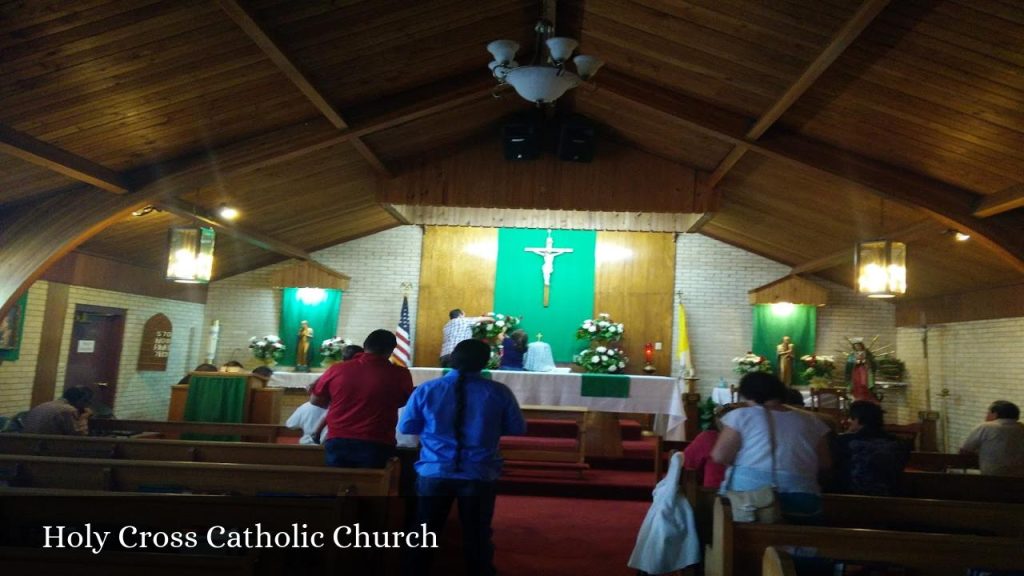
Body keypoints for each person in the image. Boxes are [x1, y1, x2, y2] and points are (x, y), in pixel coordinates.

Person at [398, 339, 526, 576]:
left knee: (424, 531)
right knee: (477, 534)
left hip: (435, 468)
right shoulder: (498, 392)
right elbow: (517, 428)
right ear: (485, 362)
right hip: (478, 471)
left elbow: (407, 426)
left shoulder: (428, 389)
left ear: (454, 359)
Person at [711, 372, 831, 523]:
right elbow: (825, 463)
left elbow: (719, 456)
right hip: (803, 497)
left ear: (748, 393)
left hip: (750, 499)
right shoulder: (812, 421)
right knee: (798, 543)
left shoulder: (741, 415)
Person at [310, 330, 413, 468]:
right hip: (378, 440)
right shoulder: (400, 374)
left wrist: (342, 403)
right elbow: (402, 401)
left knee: (338, 485)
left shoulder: (337, 369)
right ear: (391, 350)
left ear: (365, 346)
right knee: (371, 486)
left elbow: (315, 400)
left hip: (339, 438)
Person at [832, 401, 909, 495]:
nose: (848, 421)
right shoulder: (899, 442)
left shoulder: (843, 441)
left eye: (850, 418)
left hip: (849, 497)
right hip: (890, 497)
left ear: (856, 419)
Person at [960, 400, 1024, 477]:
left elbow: (965, 451)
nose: (986, 416)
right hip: (1019, 479)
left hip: (991, 478)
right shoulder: (1021, 428)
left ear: (995, 414)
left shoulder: (985, 427)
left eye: (988, 413)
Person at [682, 404, 739, 489]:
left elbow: (686, 463)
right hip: (742, 494)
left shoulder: (709, 438)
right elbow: (687, 463)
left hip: (712, 494)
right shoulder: (709, 438)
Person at [21, 386, 94, 435]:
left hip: (28, 446)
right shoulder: (67, 410)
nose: (88, 405)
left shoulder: (44, 405)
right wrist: (84, 417)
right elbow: (79, 435)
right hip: (46, 450)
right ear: (80, 400)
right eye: (87, 401)